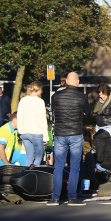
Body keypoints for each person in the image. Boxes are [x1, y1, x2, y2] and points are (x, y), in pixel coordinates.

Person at [49, 72, 90, 206]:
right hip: (75, 133)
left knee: (58, 166)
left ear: (66, 81)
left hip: (60, 134)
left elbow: (53, 112)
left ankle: (55, 197)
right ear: (77, 82)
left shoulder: (56, 96)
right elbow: (88, 114)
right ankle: (72, 197)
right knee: (74, 167)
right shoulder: (82, 96)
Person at [82, 127, 111, 197]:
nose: (84, 140)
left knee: (94, 161)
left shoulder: (98, 139)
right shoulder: (101, 137)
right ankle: (110, 173)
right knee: (91, 155)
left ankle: (109, 172)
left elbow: (100, 157)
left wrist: (92, 160)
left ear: (87, 135)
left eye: (84, 138)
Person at [17, 81, 49, 167]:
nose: (41, 92)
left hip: (25, 132)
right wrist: (45, 136)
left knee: (29, 158)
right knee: (38, 158)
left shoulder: (23, 100)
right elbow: (42, 119)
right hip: (36, 133)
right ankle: (34, 176)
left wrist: (20, 131)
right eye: (41, 90)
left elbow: (19, 116)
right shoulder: (39, 101)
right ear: (38, 89)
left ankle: (27, 176)